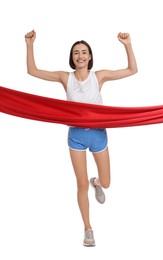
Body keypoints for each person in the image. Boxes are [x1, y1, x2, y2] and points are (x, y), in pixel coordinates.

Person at [25, 30, 138, 246]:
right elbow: (32, 71)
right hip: (76, 136)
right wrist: (30, 44)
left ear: (90, 57)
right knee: (80, 185)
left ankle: (96, 182)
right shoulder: (64, 77)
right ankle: (88, 229)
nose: (80, 56)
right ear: (72, 57)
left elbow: (132, 70)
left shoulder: (99, 76)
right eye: (76, 53)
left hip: (98, 135)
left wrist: (128, 44)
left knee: (106, 182)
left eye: (84, 52)